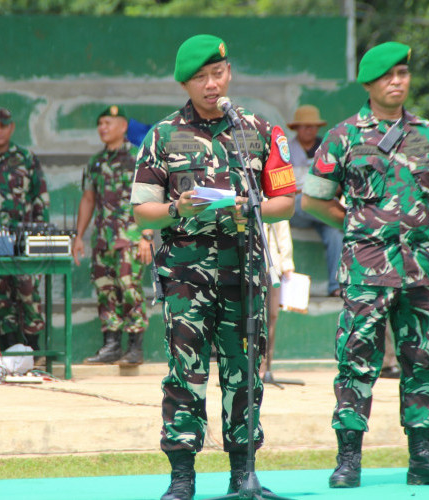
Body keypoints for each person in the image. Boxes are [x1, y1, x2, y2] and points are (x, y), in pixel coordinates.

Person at [131, 34, 297, 500]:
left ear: (230, 72)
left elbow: (286, 200)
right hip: (186, 275)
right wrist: (179, 208)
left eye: (217, 73)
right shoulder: (162, 137)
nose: (211, 84)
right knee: (186, 373)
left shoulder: (260, 131)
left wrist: (254, 208)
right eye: (200, 78)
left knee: (244, 372)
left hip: (243, 271)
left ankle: (243, 474)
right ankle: (182, 476)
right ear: (185, 83)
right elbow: (142, 211)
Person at [301, 42, 429, 488]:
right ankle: (348, 460)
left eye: (403, 73)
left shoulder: (428, 134)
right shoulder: (344, 135)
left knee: (421, 361)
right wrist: (356, 224)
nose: (397, 82)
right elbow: (313, 199)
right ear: (369, 84)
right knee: (356, 361)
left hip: (420, 269)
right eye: (387, 76)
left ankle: (424, 457)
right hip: (366, 270)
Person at [72, 105, 153, 366]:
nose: (102, 128)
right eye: (100, 124)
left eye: (108, 122)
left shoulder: (138, 158)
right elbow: (88, 198)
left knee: (129, 289)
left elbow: (150, 195)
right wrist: (79, 236)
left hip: (130, 237)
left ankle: (135, 348)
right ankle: (111, 346)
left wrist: (147, 235)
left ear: (123, 126)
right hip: (103, 239)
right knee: (105, 289)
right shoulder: (96, 162)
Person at [0, 108, 50, 353]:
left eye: (3, 126)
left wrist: (41, 237)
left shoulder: (26, 159)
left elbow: (40, 198)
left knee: (28, 292)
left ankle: (34, 352)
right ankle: (9, 353)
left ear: (11, 128)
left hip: (24, 240)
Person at [287, 105, 343, 297]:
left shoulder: (327, 150)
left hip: (323, 208)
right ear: (296, 128)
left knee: (335, 232)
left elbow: (337, 184)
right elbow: (284, 188)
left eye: (312, 126)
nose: (309, 130)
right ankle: (348, 220)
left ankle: (335, 286)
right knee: (306, 200)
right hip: (296, 208)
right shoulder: (285, 150)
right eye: (304, 126)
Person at [259, 220, 294, 380]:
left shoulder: (274, 198)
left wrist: (287, 263)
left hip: (273, 267)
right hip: (250, 265)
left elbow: (283, 234)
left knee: (271, 316)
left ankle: (266, 366)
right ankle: (250, 364)